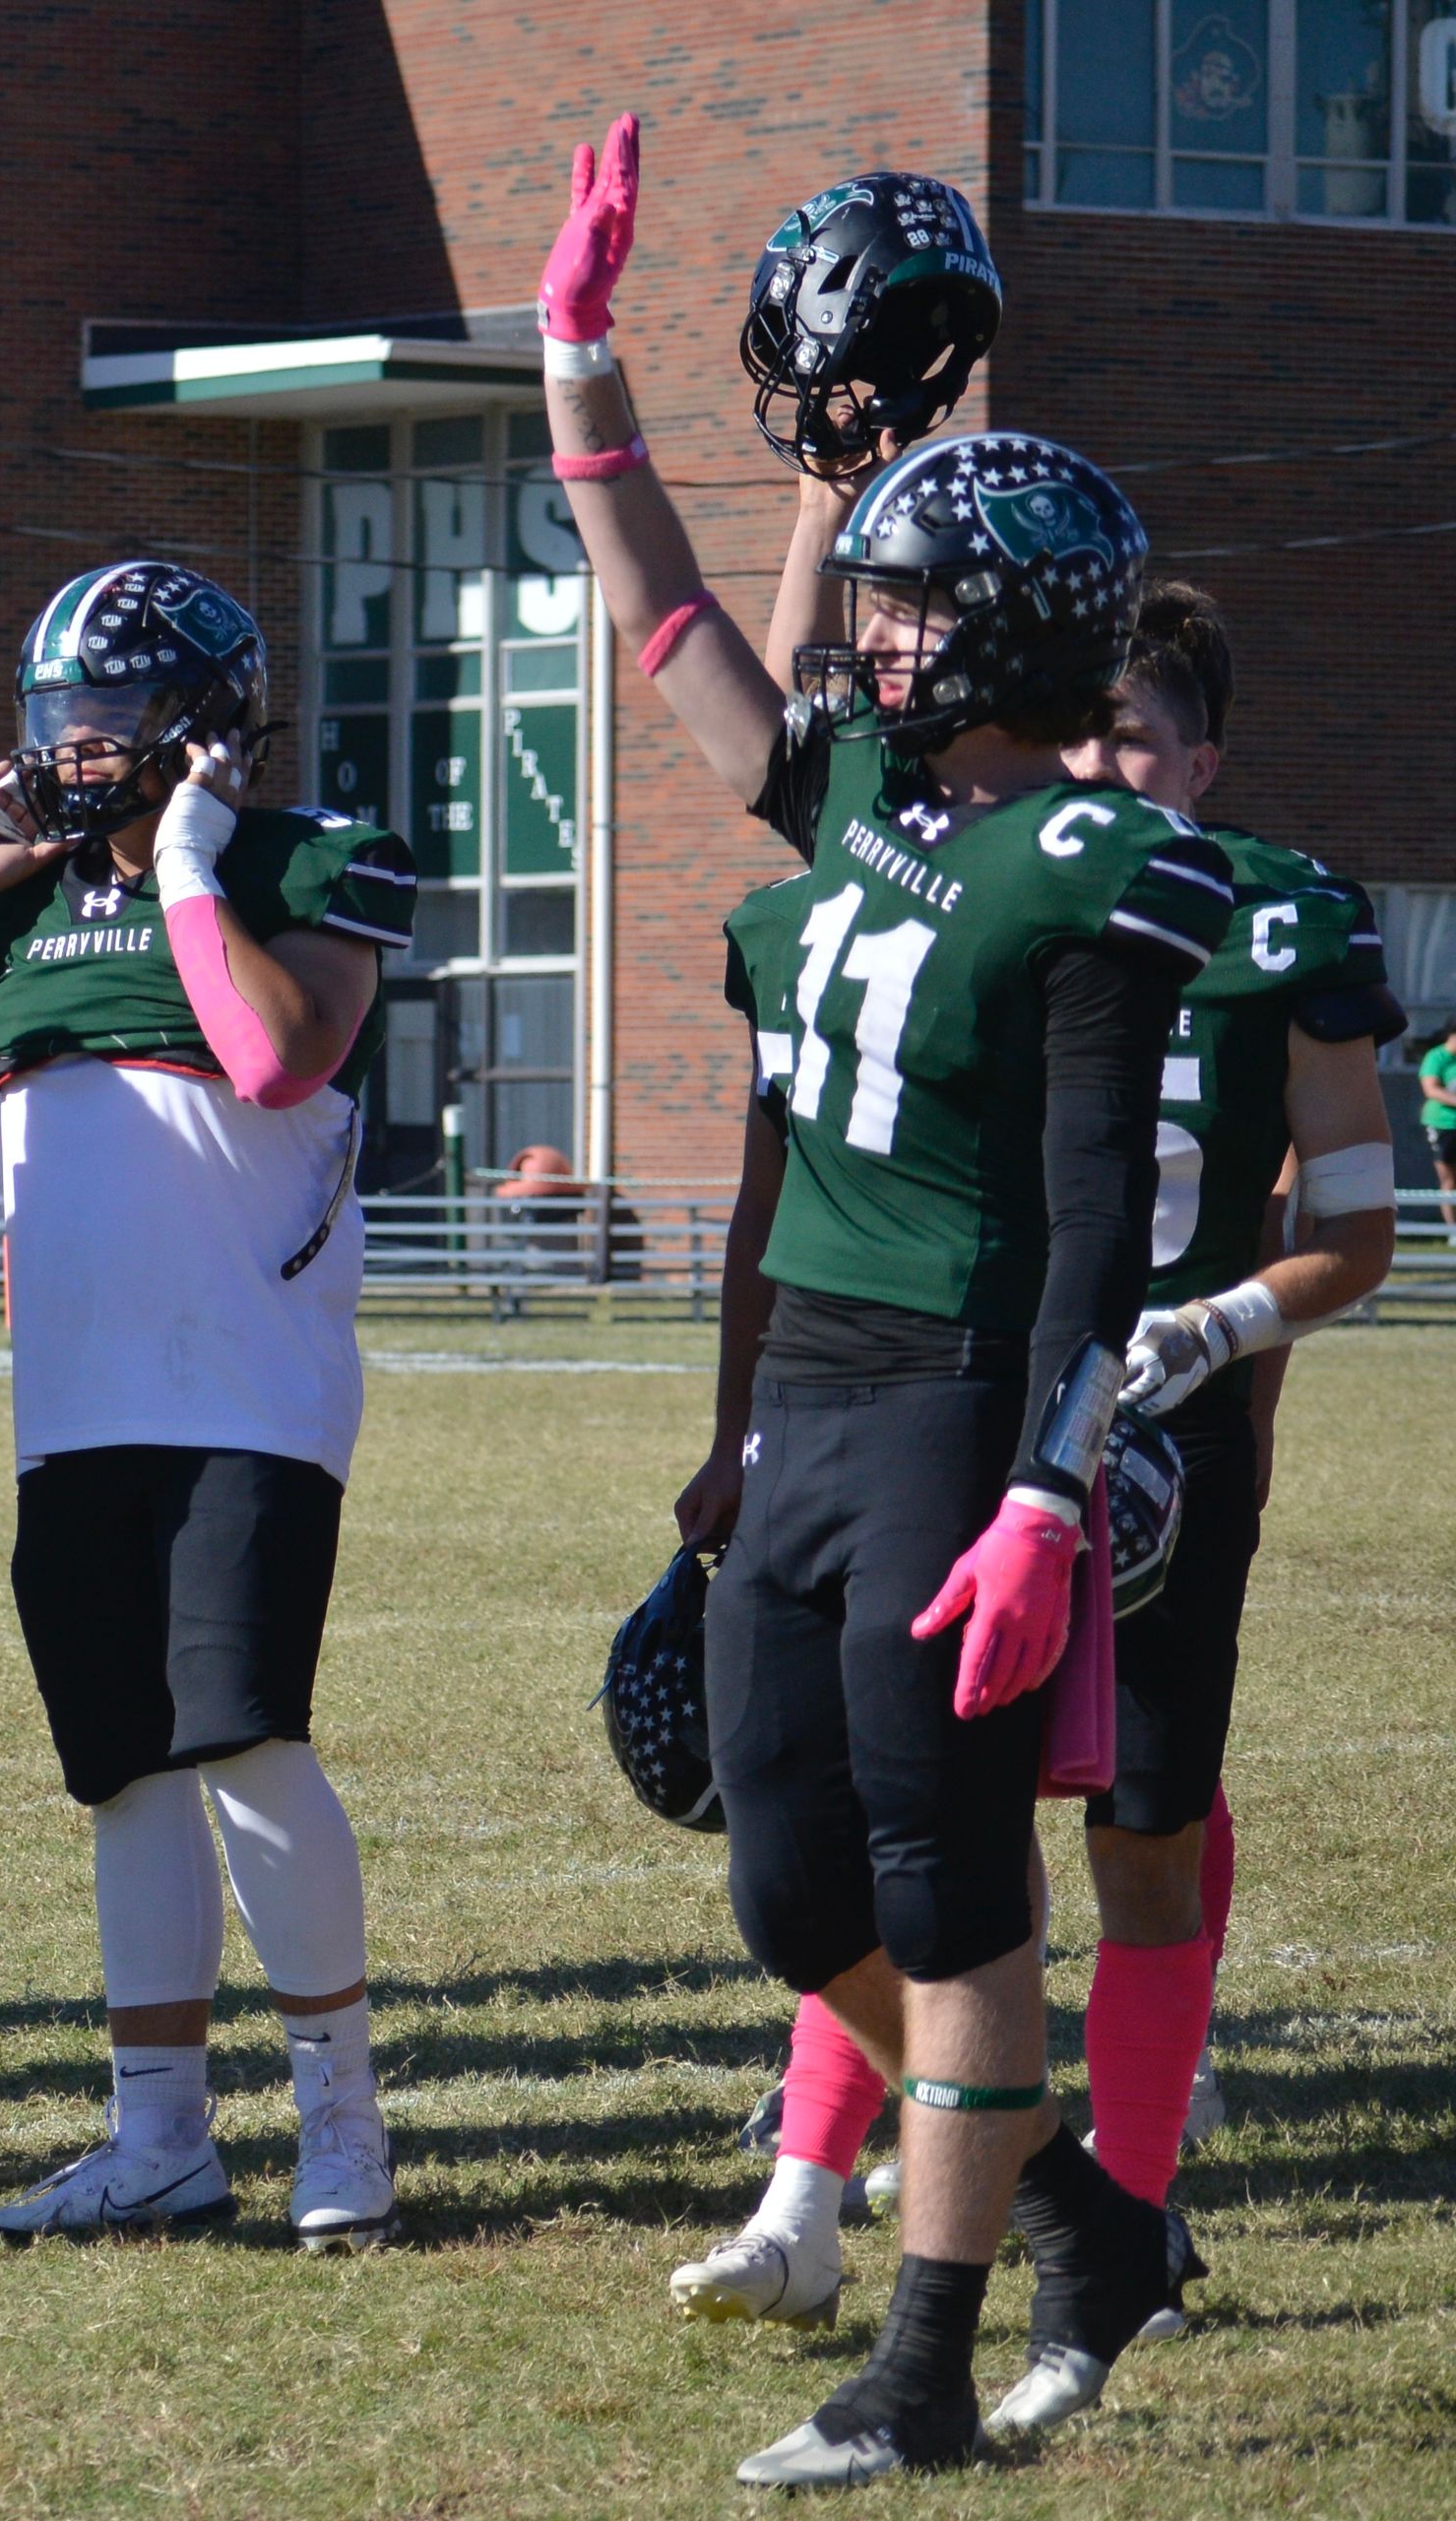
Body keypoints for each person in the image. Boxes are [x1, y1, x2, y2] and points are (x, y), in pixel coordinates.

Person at [535, 115, 1232, 2487]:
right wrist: (573, 362)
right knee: (779, 1867)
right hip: (807, 1396)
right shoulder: (863, 801)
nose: (870, 635)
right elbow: (672, 620)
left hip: (949, 1396)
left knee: (943, 1884)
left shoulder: (1085, 862)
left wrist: (1051, 1478)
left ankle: (925, 2365)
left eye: (924, 611)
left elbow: (1081, 1225)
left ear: (1016, 633)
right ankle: (1069, 2199)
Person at [673, 585, 1402, 2349]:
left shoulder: (1278, 912)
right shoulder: (966, 879)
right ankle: (807, 2199)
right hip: (960, 1415)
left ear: (1206, 758)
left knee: (1144, 1836)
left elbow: (1361, 1225)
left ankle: (1127, 2223)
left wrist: (1219, 1331)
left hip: (1162, 1452)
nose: (1105, 766)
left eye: (1143, 738)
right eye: (1089, 733)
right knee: (902, 1826)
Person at [0, 558, 413, 2254]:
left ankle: (339, 2125)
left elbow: (272, 1058)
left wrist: (192, 869)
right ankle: (158, 2138)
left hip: (244, 1387)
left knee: (245, 1738)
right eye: (59, 716)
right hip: (74, 1401)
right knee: (128, 1773)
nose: (78, 748)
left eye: (112, 717)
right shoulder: (25, 899)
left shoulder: (304, 863)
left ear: (208, 722)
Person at [1419, 1020, 1456, 1200]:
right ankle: (1451, 1228)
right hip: (1444, 1124)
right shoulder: (1437, 1057)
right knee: (1449, 1179)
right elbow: (1431, 1089)